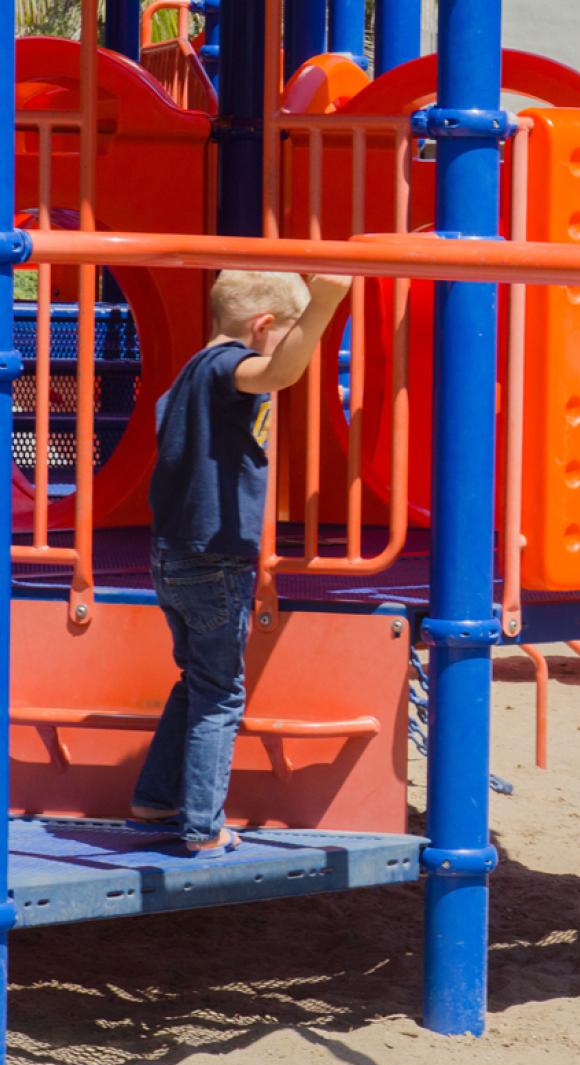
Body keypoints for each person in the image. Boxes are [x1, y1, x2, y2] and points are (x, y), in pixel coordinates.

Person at [131, 269, 352, 855]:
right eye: (289, 332)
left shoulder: (186, 378)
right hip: (213, 561)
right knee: (222, 694)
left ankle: (156, 796)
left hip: (173, 557)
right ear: (262, 326)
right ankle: (203, 827)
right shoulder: (225, 367)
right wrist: (324, 307)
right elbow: (278, 371)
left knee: (198, 681)